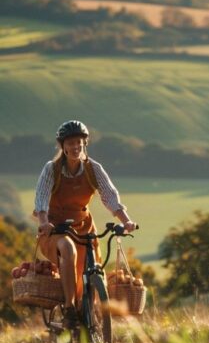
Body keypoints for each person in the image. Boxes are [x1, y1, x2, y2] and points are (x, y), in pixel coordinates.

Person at [33, 120, 137, 328]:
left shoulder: (93, 169)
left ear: (85, 144)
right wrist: (44, 223)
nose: (75, 147)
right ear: (63, 146)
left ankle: (91, 313)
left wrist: (126, 221)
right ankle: (70, 309)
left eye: (79, 142)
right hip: (55, 227)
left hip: (83, 225)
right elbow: (41, 199)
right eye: (71, 143)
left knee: (94, 266)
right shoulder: (51, 169)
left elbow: (110, 197)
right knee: (68, 250)